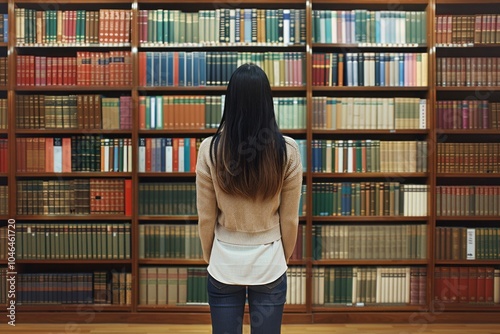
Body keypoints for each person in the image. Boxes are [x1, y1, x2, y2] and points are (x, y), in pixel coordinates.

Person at [196, 63, 303, 334]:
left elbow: (206, 218)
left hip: (224, 262)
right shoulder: (287, 151)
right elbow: (289, 220)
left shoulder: (210, 149)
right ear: (268, 103)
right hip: (269, 262)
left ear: (230, 102)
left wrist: (213, 257)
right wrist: (282, 257)